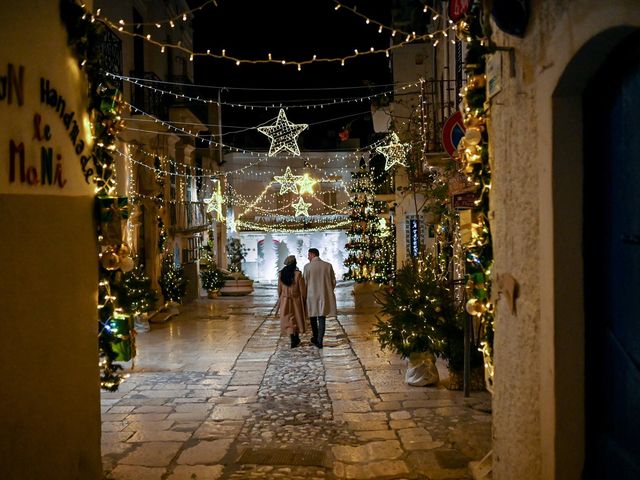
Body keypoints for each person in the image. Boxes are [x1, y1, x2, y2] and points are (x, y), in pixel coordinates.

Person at [303, 248, 337, 348]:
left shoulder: (307, 267)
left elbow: (305, 282)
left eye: (308, 255)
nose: (307, 257)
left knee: (312, 316)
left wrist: (304, 295)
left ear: (313, 254)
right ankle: (320, 340)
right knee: (322, 317)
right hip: (324, 294)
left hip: (311, 295)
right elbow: (333, 281)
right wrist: (328, 290)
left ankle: (315, 336)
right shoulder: (328, 265)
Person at [277, 255, 307, 348]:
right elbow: (302, 288)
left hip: (285, 299)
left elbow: (279, 288)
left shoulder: (281, 274)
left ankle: (292, 337)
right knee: (296, 317)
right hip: (296, 299)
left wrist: (280, 298)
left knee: (287, 318)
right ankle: (296, 337)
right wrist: (304, 298)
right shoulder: (298, 274)